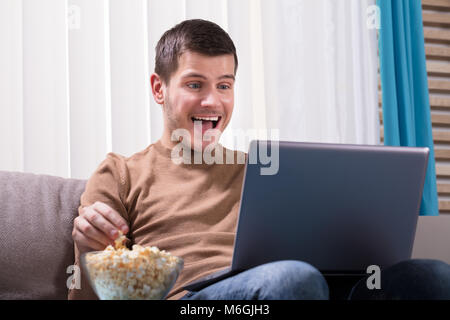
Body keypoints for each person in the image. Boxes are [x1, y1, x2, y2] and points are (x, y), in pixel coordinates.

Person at [68, 19, 450, 300]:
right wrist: (88, 251)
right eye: (194, 84)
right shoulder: (119, 172)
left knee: (430, 277)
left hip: (301, 284)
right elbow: (86, 296)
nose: (212, 102)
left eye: (224, 86)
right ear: (159, 88)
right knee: (293, 280)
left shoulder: (264, 168)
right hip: (197, 300)